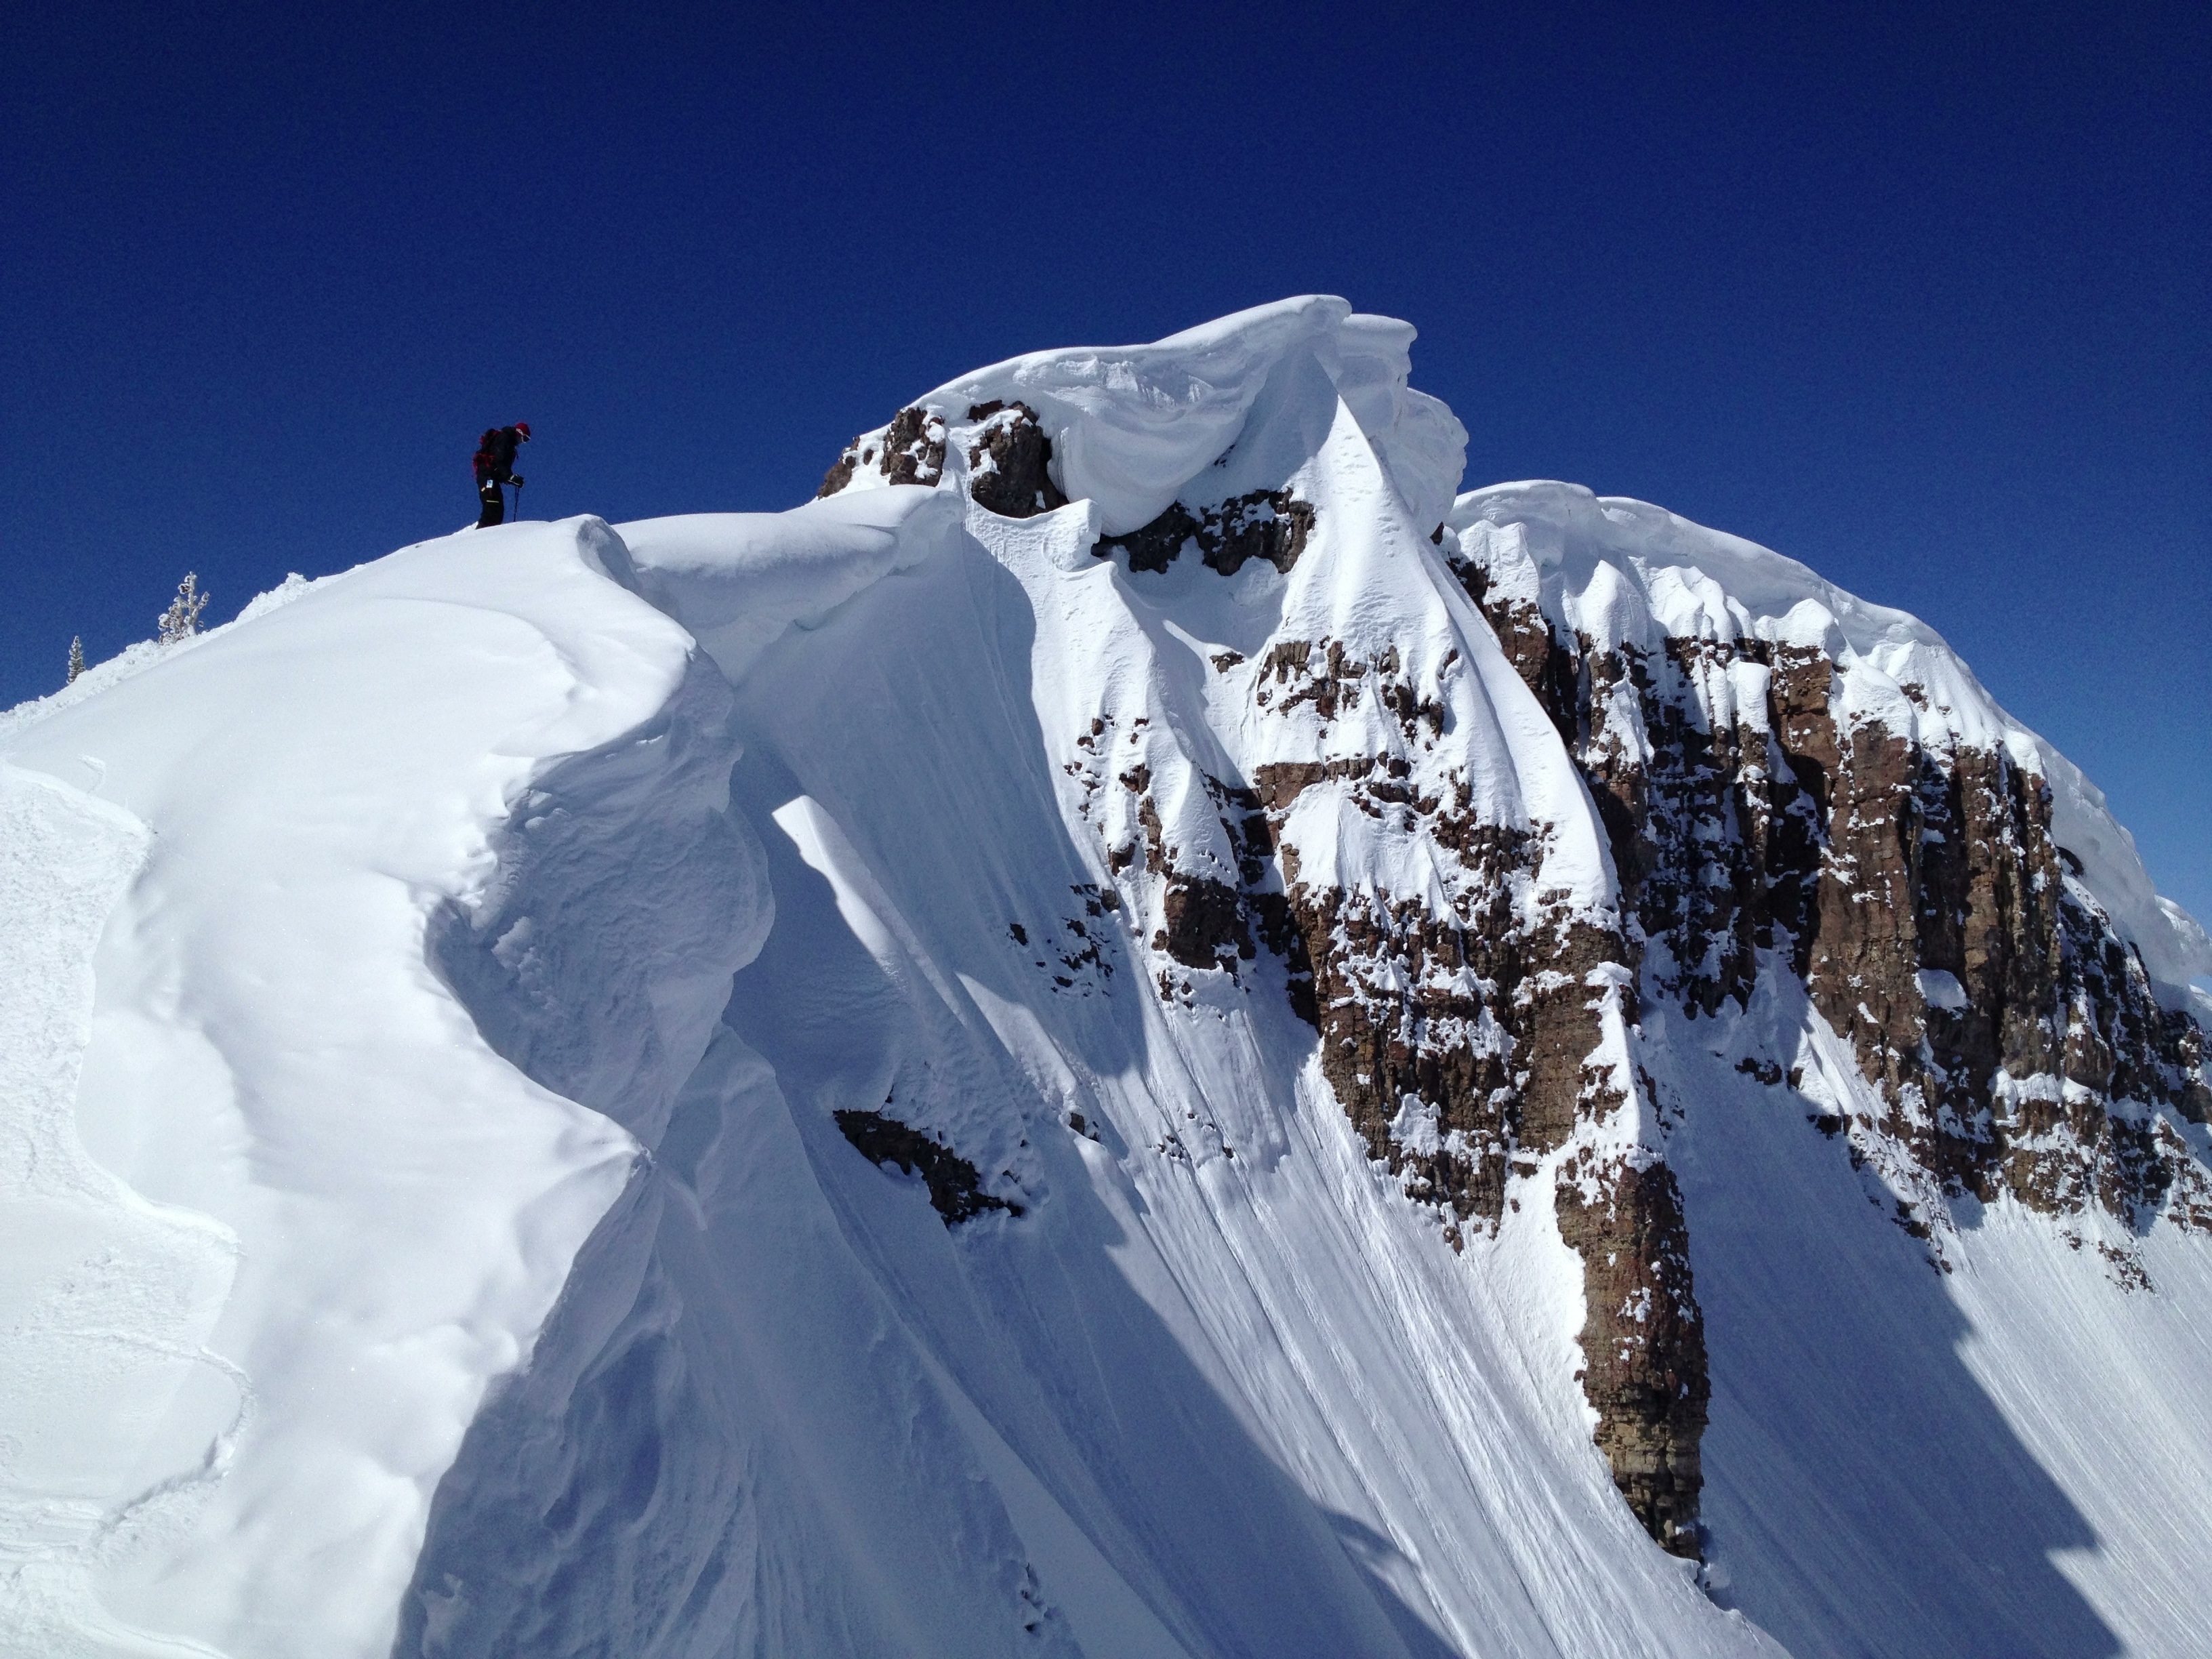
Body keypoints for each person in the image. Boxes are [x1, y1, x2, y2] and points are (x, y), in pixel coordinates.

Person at [474, 422, 531, 526]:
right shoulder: (505, 438)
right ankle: (482, 533)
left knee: (497, 509)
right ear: (519, 432)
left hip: (491, 478)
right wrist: (510, 477)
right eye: (524, 439)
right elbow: (500, 461)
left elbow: (500, 468)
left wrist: (511, 479)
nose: (522, 442)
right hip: (488, 478)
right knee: (492, 507)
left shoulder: (509, 445)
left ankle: (489, 532)